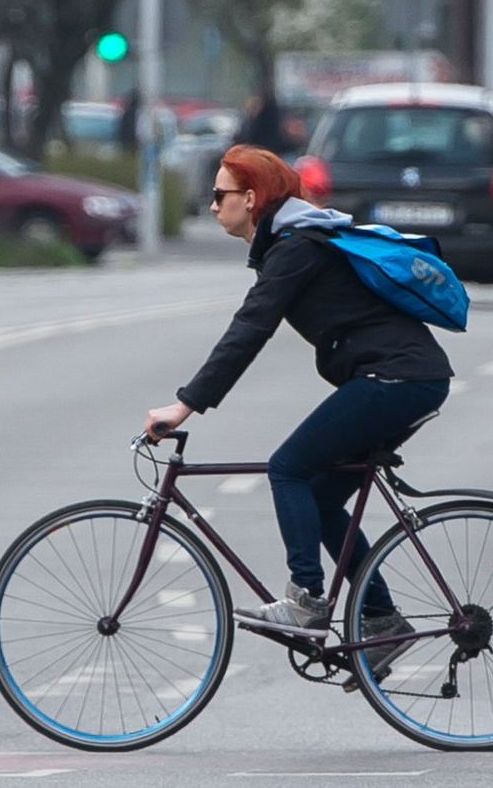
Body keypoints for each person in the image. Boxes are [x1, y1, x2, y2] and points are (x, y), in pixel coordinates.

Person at [143, 145, 453, 668]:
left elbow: (248, 331)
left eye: (220, 196)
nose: (213, 206)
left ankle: (306, 599)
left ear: (251, 197)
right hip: (408, 378)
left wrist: (185, 405)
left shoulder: (297, 248)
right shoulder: (297, 242)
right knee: (321, 496)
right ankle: (382, 620)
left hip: (396, 379)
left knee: (289, 468)